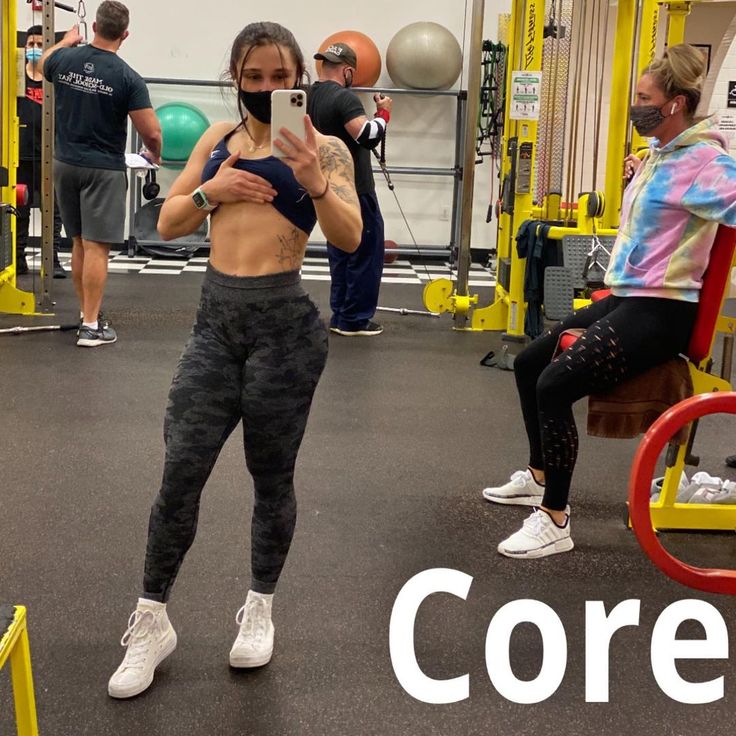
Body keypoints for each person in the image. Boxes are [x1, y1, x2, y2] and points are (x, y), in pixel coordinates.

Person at [106, 21, 361, 699]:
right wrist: (210, 192)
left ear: (300, 79)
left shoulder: (325, 148)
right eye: (255, 78)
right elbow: (167, 225)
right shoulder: (218, 142)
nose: (269, 89)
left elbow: (352, 236)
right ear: (236, 79)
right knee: (179, 472)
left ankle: (259, 608)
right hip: (214, 326)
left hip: (284, 329)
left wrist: (312, 183)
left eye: (282, 78)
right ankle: (152, 618)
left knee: (270, 479)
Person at [482, 44, 736, 559]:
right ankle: (539, 474)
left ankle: (554, 517)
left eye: (645, 98)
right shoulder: (662, 155)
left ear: (675, 105)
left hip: (664, 308)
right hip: (628, 296)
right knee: (531, 363)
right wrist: (642, 170)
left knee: (555, 385)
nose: (635, 107)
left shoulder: (707, 162)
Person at [39, 1, 162, 348]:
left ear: (94, 26)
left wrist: (66, 40)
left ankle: (85, 314)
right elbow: (151, 132)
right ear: (125, 34)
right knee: (96, 248)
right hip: (102, 170)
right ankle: (91, 327)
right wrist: (156, 154)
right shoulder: (127, 77)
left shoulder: (64, 60)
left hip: (65, 164)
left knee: (79, 242)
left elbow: (44, 61)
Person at [308, 42, 392, 336]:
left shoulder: (309, 95)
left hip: (328, 189)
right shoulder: (344, 98)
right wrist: (383, 113)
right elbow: (368, 137)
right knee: (366, 251)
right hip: (356, 187)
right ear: (347, 71)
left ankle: (341, 315)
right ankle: (354, 320)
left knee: (341, 250)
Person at [16, 25, 66, 279]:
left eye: (39, 45)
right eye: (30, 44)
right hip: (21, 154)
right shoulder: (16, 78)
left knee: (53, 211)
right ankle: (18, 258)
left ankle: (53, 259)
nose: (34, 49)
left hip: (50, 155)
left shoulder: (53, 79)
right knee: (19, 210)